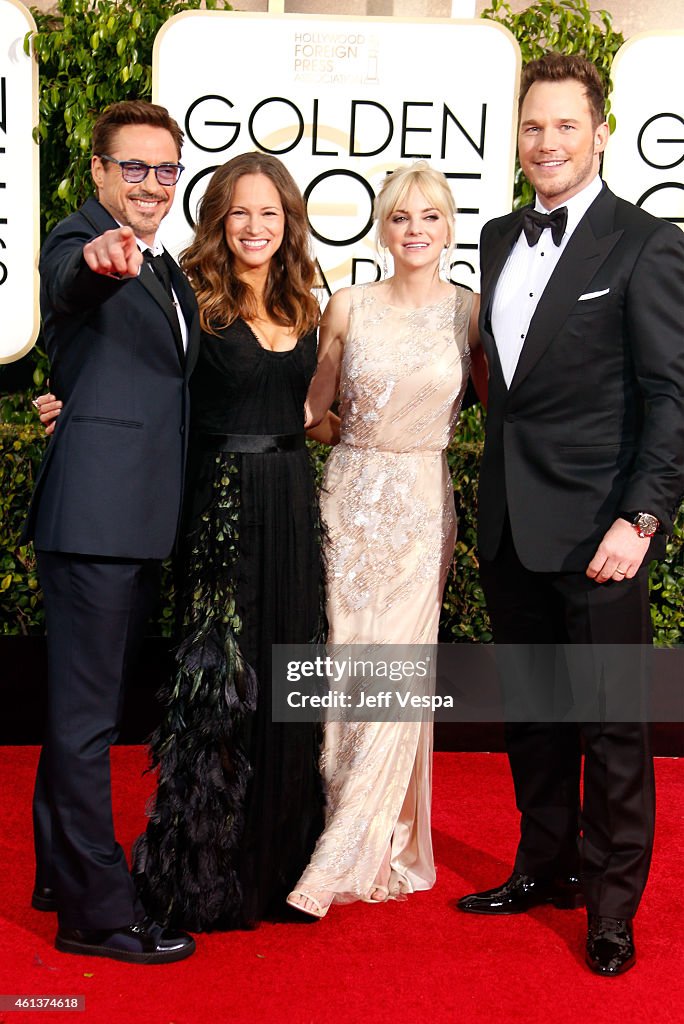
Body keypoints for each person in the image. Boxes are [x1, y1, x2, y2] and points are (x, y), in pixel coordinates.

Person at [456, 53, 684, 977]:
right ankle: (543, 867)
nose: (546, 142)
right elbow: (503, 385)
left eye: (563, 126)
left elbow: (671, 395)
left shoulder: (644, 242)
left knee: (613, 723)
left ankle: (612, 904)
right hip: (511, 519)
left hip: (600, 530)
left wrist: (641, 519)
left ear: (601, 133)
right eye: (531, 126)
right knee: (536, 714)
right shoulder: (501, 234)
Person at [130, 153, 338, 931]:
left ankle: (282, 866)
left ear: (289, 225)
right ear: (218, 217)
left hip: (290, 504)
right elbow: (143, 383)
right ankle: (205, 875)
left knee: (289, 676)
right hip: (219, 505)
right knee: (221, 682)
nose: (255, 227)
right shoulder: (191, 297)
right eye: (240, 212)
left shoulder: (308, 305)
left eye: (270, 214)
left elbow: (313, 415)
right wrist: (68, 400)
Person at [286, 161, 487, 919]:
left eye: (429, 217)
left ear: (448, 227)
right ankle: (333, 816)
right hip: (347, 499)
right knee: (343, 663)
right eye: (401, 216)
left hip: (418, 504)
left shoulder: (469, 313)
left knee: (395, 669)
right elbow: (311, 411)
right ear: (383, 225)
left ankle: (351, 847)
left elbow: (505, 402)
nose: (415, 230)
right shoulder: (348, 305)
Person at [23, 100, 198, 964]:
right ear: (97, 171)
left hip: (128, 520)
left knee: (83, 714)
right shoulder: (80, 239)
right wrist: (96, 260)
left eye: (166, 170)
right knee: (87, 722)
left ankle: (58, 870)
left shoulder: (169, 268)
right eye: (134, 168)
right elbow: (70, 281)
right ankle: (96, 912)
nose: (152, 186)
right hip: (95, 520)